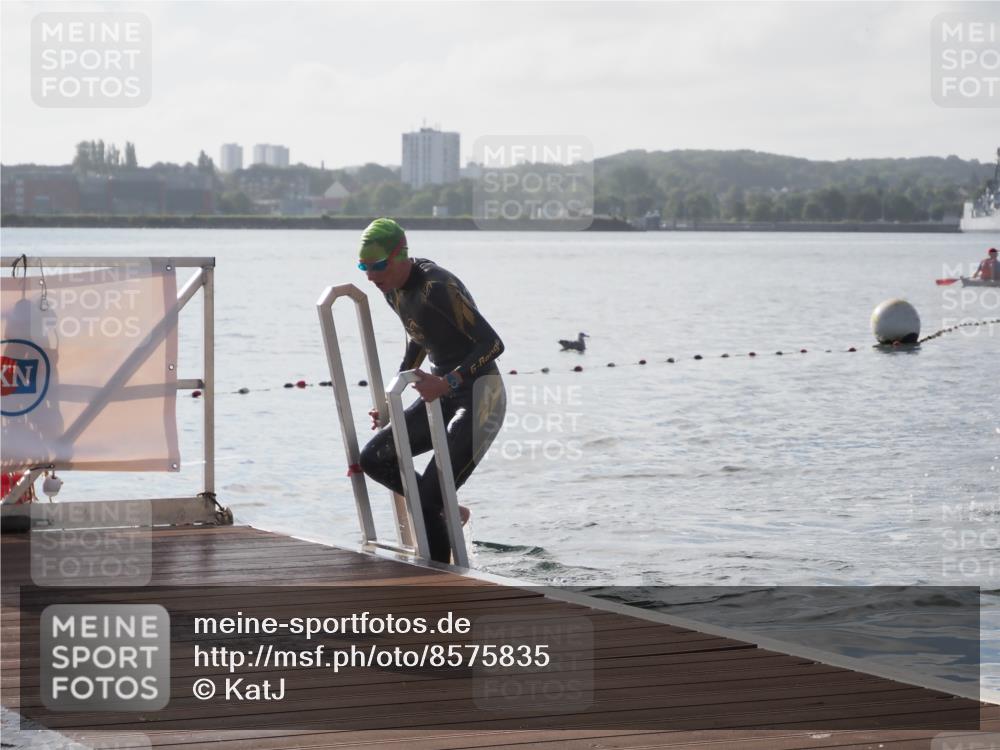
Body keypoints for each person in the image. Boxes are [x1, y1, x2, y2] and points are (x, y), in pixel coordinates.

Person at [356, 218, 506, 564]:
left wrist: (447, 382)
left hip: (483, 397)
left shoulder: (439, 287)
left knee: (427, 497)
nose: (370, 275)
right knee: (374, 459)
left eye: (377, 266)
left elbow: (493, 343)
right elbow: (417, 336)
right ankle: (447, 510)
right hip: (442, 394)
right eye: (363, 266)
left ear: (400, 256)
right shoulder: (390, 288)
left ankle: (437, 576)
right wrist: (393, 397)